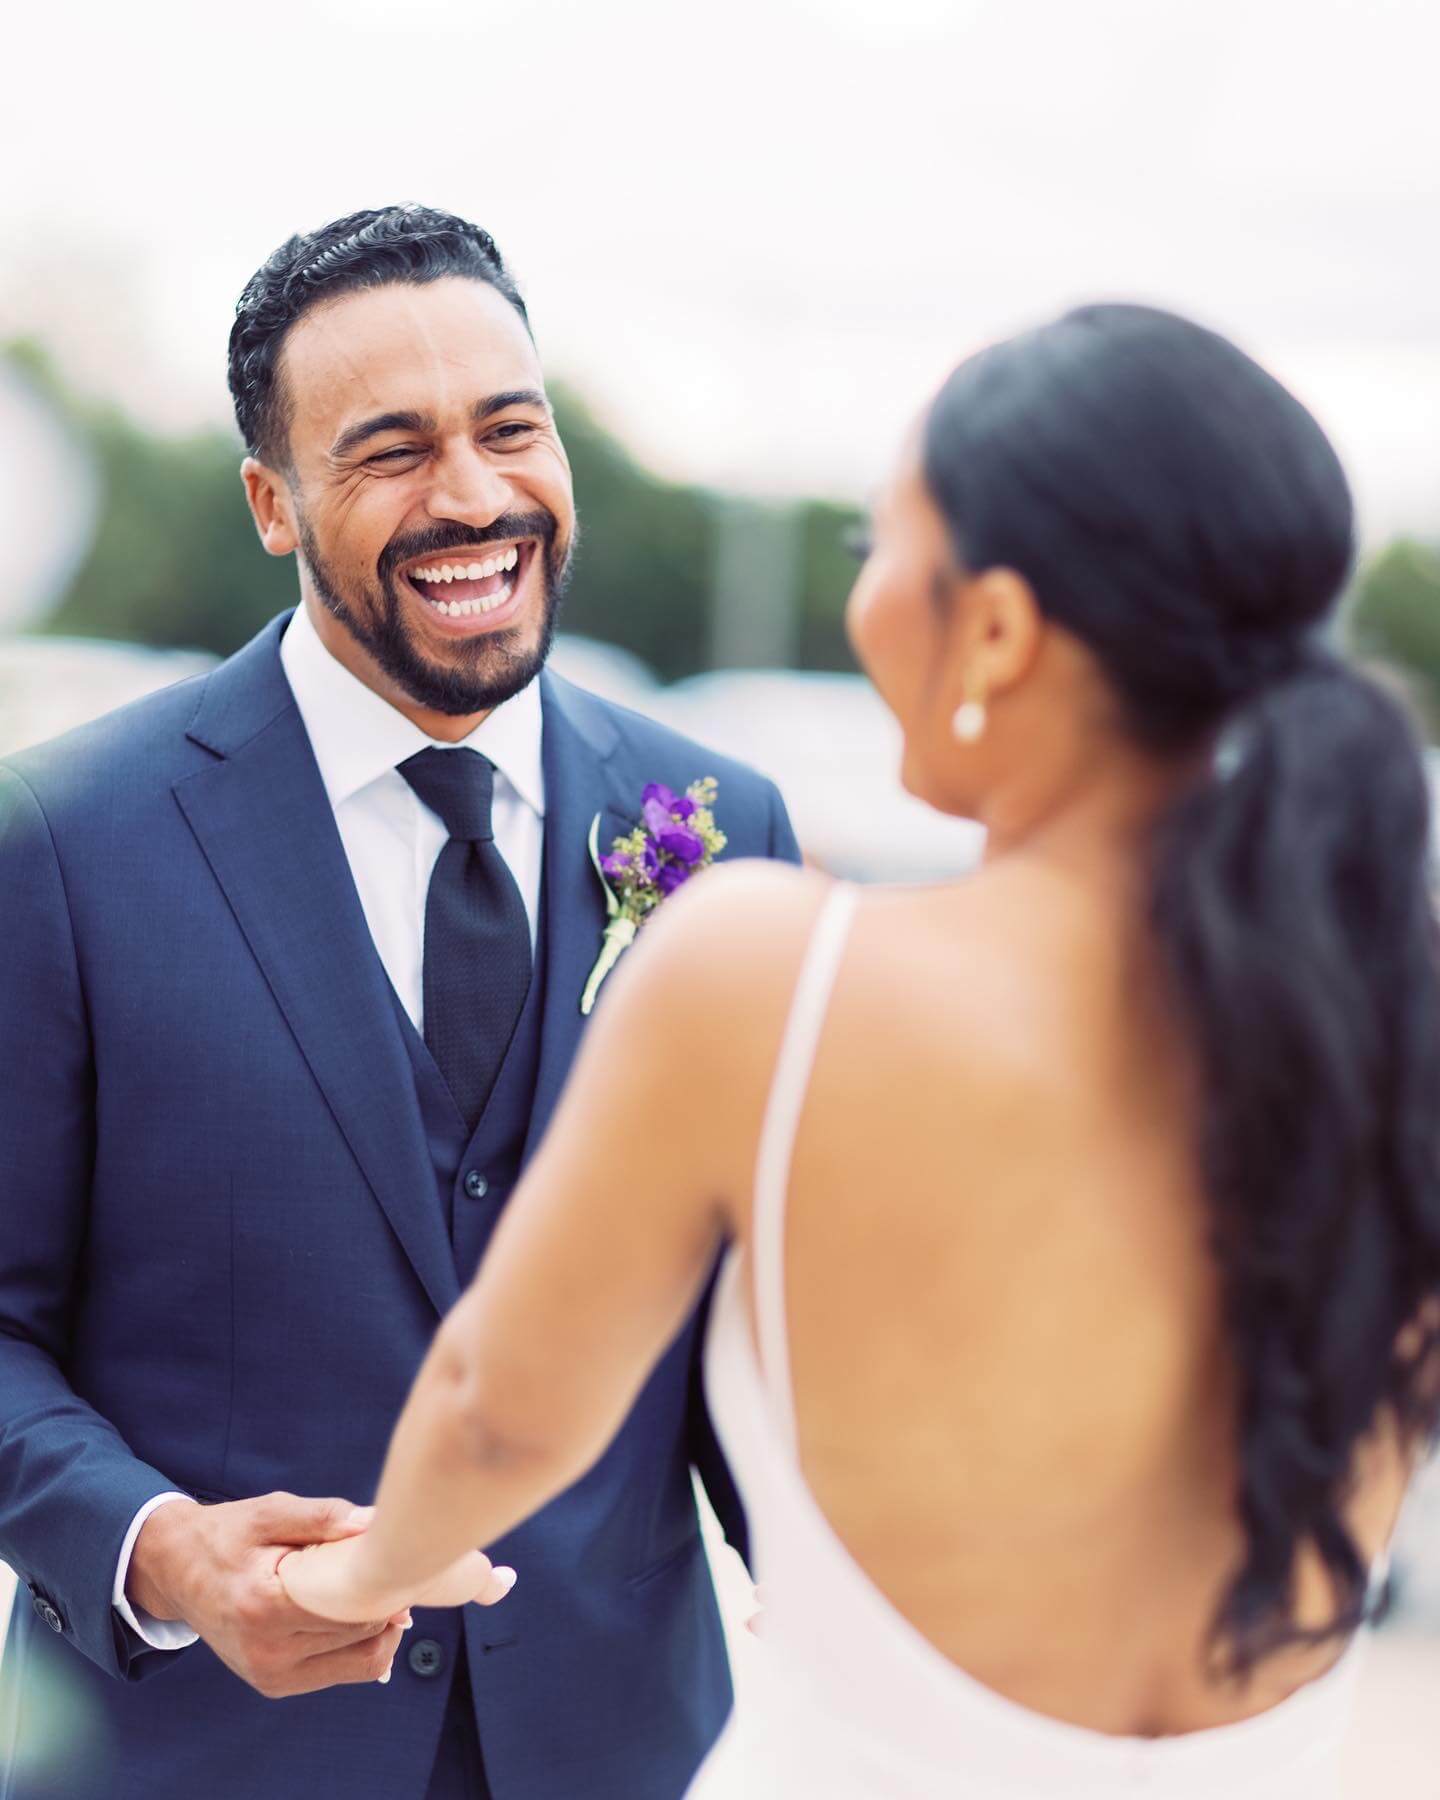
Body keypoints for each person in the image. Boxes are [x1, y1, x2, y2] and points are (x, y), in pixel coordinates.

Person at [278, 303, 1440, 1798]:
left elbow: (499, 1411)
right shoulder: (1387, 1043)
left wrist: (355, 1578)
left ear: (1001, 629)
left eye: (877, 549)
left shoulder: (777, 978)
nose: (864, 602)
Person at [0, 205, 800, 1800]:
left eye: (512, 428)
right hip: (199, 1760)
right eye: (391, 449)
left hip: (617, 1752)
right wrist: (164, 1556)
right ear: (271, 504)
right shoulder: (64, 841)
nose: (475, 496)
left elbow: (754, 1317)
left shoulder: (725, 825)